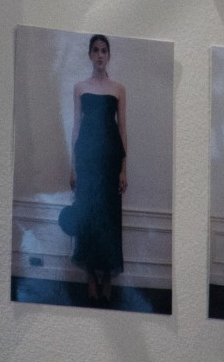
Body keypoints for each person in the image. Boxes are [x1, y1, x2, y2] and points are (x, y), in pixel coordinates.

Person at [68, 34, 127, 304]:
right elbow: (76, 128)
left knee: (109, 219)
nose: (100, 55)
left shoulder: (118, 89)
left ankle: (107, 278)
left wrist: (124, 169)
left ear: (109, 55)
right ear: (90, 55)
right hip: (87, 162)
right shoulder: (80, 88)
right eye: (96, 50)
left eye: (105, 51)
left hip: (110, 161)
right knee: (88, 217)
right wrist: (73, 167)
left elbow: (122, 129)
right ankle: (91, 276)